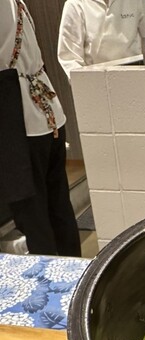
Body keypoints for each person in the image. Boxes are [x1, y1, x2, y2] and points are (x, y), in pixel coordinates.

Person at [0, 0, 81, 257]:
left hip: (21, 119)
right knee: (57, 207)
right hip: (46, 112)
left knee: (35, 216)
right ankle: (73, 270)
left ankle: (53, 274)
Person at [57, 0, 145, 79]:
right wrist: (85, 85)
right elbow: (70, 58)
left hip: (136, 74)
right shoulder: (75, 4)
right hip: (96, 79)